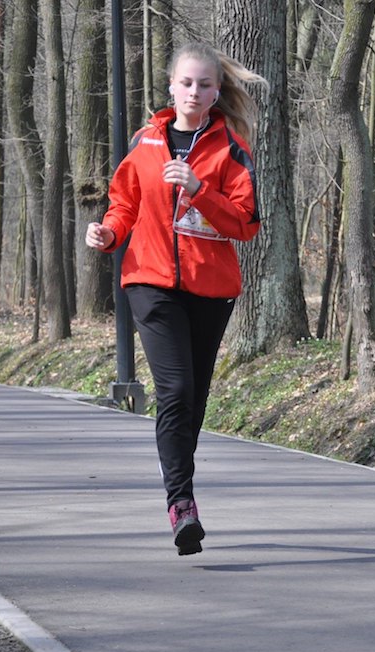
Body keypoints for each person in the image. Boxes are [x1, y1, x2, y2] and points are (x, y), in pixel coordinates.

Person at [85, 42, 264, 555]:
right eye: (186, 82)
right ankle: (181, 504)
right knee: (177, 389)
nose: (194, 92)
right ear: (171, 86)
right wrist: (109, 234)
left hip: (211, 289)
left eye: (205, 85)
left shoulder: (230, 149)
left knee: (195, 399)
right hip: (150, 280)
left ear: (216, 92)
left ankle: (181, 491)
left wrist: (199, 189)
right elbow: (124, 204)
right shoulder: (145, 141)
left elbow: (246, 224)